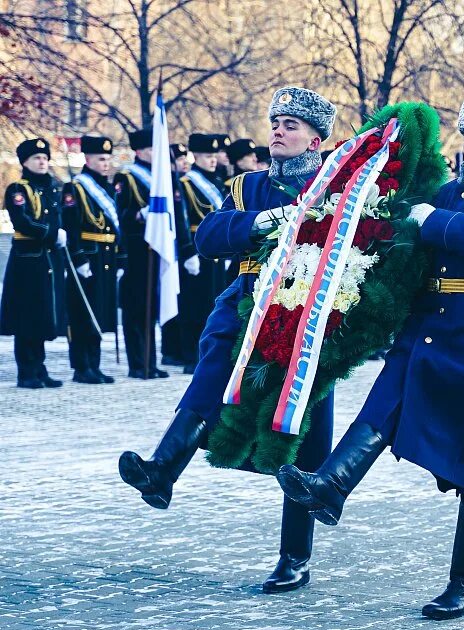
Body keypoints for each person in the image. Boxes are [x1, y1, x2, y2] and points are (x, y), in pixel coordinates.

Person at [275, 95, 464, 619]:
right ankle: (332, 484)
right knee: (385, 400)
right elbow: (408, 251)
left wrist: (430, 220)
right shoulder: (446, 192)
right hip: (429, 322)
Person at [118, 87, 338, 595]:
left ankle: (294, 556)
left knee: (300, 428)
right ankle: (161, 472)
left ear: (317, 139)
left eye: (292, 125)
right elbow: (209, 234)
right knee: (211, 379)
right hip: (244, 301)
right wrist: (260, 222)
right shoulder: (246, 186)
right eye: (276, 122)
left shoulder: (339, 191)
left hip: (308, 312)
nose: (279, 131)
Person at [1, 138, 66, 389]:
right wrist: (52, 234)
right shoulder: (18, 189)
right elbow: (22, 222)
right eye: (36, 158)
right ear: (25, 162)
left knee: (40, 316)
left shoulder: (50, 187)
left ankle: (39, 367)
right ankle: (26, 371)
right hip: (27, 262)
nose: (42, 162)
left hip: (46, 260)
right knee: (26, 317)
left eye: (45, 158)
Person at [62, 135, 119, 384]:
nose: (105, 163)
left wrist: (122, 260)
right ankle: (81, 366)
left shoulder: (107, 187)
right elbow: (71, 225)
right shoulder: (75, 187)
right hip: (87, 258)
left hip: (106, 256)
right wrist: (79, 258)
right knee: (82, 313)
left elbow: (117, 228)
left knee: (98, 312)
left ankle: (94, 365)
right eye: (100, 159)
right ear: (88, 159)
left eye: (108, 159)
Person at [115, 127, 169, 379]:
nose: (155, 154)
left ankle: (150, 361)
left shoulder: (160, 178)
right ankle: (137, 363)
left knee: (151, 309)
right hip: (136, 251)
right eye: (150, 149)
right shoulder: (127, 178)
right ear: (139, 151)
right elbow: (120, 215)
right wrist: (140, 215)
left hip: (156, 250)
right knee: (136, 309)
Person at [179, 133, 230, 368]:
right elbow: (182, 220)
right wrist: (188, 251)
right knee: (195, 305)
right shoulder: (186, 183)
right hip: (198, 251)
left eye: (214, 155)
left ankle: (208, 354)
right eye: (207, 156)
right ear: (195, 156)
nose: (212, 160)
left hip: (217, 251)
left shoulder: (218, 182)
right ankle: (190, 353)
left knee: (214, 304)